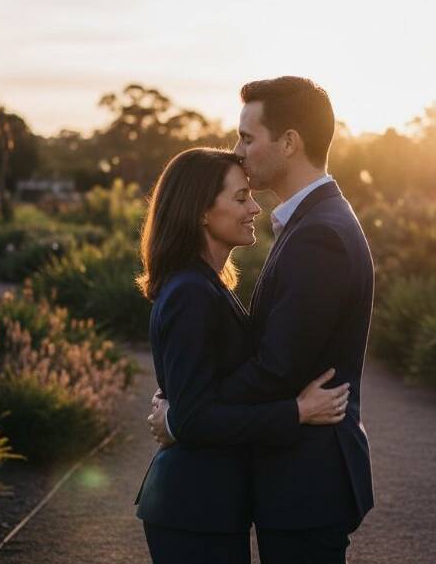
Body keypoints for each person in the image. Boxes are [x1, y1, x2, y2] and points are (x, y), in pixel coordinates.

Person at [149, 77, 375, 564]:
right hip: (297, 479)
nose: (238, 150)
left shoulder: (319, 234)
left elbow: (276, 368)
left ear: (289, 142)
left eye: (247, 138)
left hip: (308, 480)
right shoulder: (312, 223)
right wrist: (192, 411)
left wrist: (184, 416)